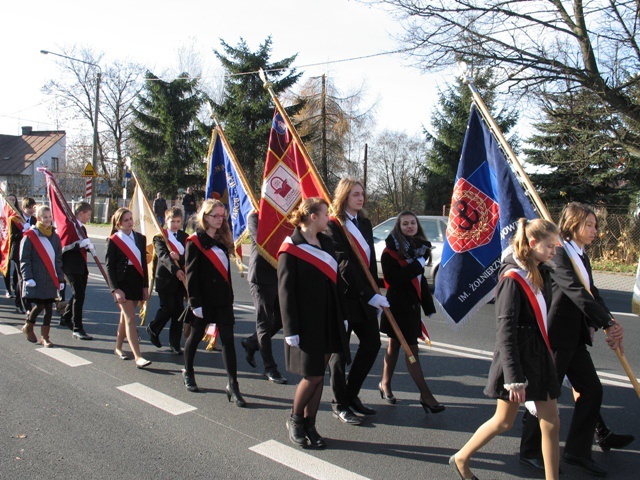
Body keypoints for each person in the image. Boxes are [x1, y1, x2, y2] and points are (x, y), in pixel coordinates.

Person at [519, 202, 627, 477]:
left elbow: (592, 291)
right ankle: (530, 451)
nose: (594, 230)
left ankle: (577, 452)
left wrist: (609, 320)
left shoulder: (581, 255)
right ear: (572, 225)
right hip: (555, 334)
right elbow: (575, 290)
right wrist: (604, 321)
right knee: (544, 394)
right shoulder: (559, 253)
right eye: (588, 225)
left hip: (575, 336)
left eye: (594, 225)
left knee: (592, 390)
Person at [450, 218, 561, 480]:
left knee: (551, 422)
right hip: (518, 360)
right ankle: (462, 457)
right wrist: (514, 378)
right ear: (532, 244)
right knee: (503, 422)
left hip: (538, 355)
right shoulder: (512, 278)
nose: (554, 252)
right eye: (550, 247)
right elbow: (505, 331)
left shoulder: (540, 270)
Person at [278, 197, 351, 448]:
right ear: (313, 217)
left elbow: (336, 282)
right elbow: (285, 291)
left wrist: (341, 314)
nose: (329, 218)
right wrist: (290, 329)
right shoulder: (290, 247)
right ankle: (295, 420)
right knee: (312, 374)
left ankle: (311, 424)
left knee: (320, 375)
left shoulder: (326, 242)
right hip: (305, 321)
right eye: (325, 214)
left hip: (328, 316)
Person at [326, 177, 388, 425]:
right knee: (339, 354)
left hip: (366, 296)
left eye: (362, 193)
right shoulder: (334, 225)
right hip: (343, 296)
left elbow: (369, 262)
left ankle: (351, 394)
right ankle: (339, 404)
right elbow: (344, 264)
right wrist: (368, 293)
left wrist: (376, 292)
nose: (360, 198)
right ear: (344, 197)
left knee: (371, 344)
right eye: (355, 194)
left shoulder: (364, 223)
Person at [182, 199, 246, 407]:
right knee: (196, 335)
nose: (220, 220)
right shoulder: (195, 241)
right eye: (215, 216)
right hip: (204, 300)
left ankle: (233, 385)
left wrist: (230, 296)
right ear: (205, 217)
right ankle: (188, 371)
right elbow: (191, 275)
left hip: (223, 300)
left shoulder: (222, 240)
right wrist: (194, 303)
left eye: (222, 216)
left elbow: (225, 273)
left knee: (228, 340)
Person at [379, 211, 444, 413]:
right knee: (411, 350)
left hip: (412, 307)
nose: (409, 226)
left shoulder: (421, 248)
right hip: (397, 306)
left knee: (395, 347)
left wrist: (428, 306)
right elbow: (395, 279)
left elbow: (421, 281)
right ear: (398, 227)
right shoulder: (389, 251)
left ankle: (385, 384)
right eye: (405, 223)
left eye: (412, 223)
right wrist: (417, 265)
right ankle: (426, 395)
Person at [240, 211, 287, 384]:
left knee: (281, 319)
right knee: (264, 322)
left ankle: (252, 342)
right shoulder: (254, 217)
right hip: (261, 277)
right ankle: (270, 368)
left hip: (280, 276)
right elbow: (264, 242)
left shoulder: (284, 216)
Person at [105, 208, 152, 369]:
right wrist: (115, 289)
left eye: (131, 219)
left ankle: (118, 347)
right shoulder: (114, 240)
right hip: (122, 283)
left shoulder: (140, 238)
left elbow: (144, 265)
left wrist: (145, 286)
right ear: (119, 223)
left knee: (124, 317)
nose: (130, 222)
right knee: (131, 318)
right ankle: (138, 356)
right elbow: (109, 267)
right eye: (126, 220)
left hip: (136, 281)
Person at [19, 206, 65, 347]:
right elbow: (24, 259)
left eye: (49, 217)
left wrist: (60, 278)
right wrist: (28, 277)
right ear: (38, 218)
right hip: (36, 278)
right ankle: (28, 325)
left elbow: (58, 259)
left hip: (51, 277)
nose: (48, 219)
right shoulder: (30, 236)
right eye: (44, 217)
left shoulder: (55, 237)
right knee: (40, 305)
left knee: (49, 306)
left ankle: (45, 337)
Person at [147, 207, 187, 354]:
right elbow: (163, 256)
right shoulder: (160, 237)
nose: (175, 224)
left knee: (179, 312)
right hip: (165, 279)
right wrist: (175, 270)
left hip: (180, 280)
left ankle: (174, 343)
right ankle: (153, 328)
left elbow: (189, 256)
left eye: (178, 221)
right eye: (172, 221)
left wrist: (180, 258)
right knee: (167, 308)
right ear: (166, 220)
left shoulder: (185, 237)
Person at [60, 202, 95, 340]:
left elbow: (82, 245)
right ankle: (77, 328)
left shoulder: (82, 229)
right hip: (70, 267)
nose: (89, 217)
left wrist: (88, 247)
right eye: (88, 214)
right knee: (79, 295)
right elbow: (64, 246)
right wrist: (79, 244)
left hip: (80, 266)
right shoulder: (70, 226)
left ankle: (66, 317)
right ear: (81, 213)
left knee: (78, 294)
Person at [11, 197, 37, 314]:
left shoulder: (35, 220)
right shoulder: (16, 220)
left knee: (20, 279)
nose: (31, 210)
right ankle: (25, 305)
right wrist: (23, 232)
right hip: (18, 253)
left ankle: (18, 302)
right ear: (23, 208)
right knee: (23, 278)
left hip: (30, 253)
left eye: (33, 207)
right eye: (29, 208)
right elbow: (12, 238)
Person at [3, 193, 20, 299]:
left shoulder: (18, 215)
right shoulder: (2, 214)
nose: (11, 201)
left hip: (15, 243)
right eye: (9, 199)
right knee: (6, 267)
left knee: (17, 267)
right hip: (5, 244)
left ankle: (14, 285)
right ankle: (8, 289)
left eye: (13, 199)